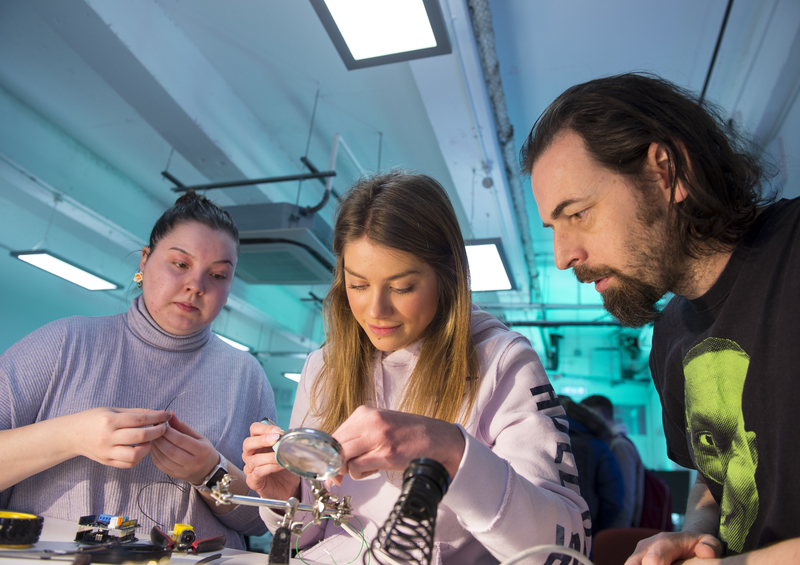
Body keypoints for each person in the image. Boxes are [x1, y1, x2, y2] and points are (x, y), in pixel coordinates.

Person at [520, 72, 800, 563]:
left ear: (665, 173)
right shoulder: (671, 335)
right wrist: (696, 534)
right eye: (553, 228)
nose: (562, 256)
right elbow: (714, 477)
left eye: (578, 213)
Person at [242, 171, 591, 564]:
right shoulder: (323, 366)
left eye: (402, 287)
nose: (376, 311)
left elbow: (563, 549)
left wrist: (450, 451)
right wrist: (288, 496)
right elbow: (310, 537)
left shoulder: (503, 361)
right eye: (358, 285)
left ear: (448, 274)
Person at [0, 191, 275, 549]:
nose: (196, 285)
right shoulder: (63, 344)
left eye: (218, 274)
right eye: (180, 264)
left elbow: (260, 521)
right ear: (144, 261)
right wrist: (71, 436)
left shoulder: (246, 377)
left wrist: (210, 472)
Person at [559, 396, 625, 537]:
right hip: (585, 534)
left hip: (537, 534)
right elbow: (613, 501)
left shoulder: (532, 441)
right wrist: (594, 531)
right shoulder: (597, 445)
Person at [581, 394, 645, 529]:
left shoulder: (619, 445)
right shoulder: (612, 443)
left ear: (596, 416)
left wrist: (614, 537)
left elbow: (625, 501)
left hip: (619, 532)